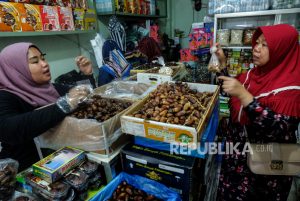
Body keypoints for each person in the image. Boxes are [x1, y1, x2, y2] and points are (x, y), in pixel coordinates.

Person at [216, 24, 300, 200]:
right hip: (238, 159)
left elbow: (279, 128)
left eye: (265, 45)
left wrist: (245, 96)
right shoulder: (253, 74)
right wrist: (223, 63)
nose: (256, 48)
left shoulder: (292, 88)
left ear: (281, 51)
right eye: (257, 42)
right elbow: (232, 91)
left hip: (265, 169)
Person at [0, 42, 93, 171]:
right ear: (15, 69)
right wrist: (64, 105)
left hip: (60, 161)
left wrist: (86, 75)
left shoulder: (49, 88)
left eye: (43, 58)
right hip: (25, 170)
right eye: (35, 61)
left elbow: (83, 95)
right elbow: (9, 129)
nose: (44, 64)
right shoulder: (5, 96)